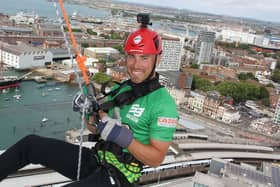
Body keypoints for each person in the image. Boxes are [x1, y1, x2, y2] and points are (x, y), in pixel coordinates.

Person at [0, 18, 178, 187]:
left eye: (144, 58)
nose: (136, 65)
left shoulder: (163, 104)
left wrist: (123, 137)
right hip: (98, 158)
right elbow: (95, 127)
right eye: (132, 56)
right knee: (31, 145)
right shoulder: (124, 89)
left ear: (158, 59)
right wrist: (89, 112)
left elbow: (156, 159)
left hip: (121, 175)